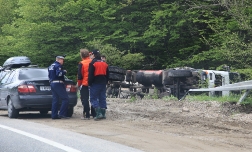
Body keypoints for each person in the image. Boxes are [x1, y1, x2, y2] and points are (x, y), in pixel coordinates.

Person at [88, 50, 109, 120]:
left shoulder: (93, 63)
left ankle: (98, 113)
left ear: (93, 55)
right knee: (102, 98)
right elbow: (108, 75)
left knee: (93, 98)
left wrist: (89, 83)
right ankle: (103, 114)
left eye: (91, 54)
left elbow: (90, 75)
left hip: (95, 83)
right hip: (103, 83)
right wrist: (106, 82)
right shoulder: (104, 63)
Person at [48, 55, 69, 119]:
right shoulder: (58, 65)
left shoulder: (51, 66)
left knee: (55, 99)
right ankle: (62, 114)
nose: (63, 61)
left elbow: (49, 75)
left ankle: (54, 115)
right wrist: (64, 72)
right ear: (59, 60)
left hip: (52, 83)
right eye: (62, 60)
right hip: (58, 83)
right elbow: (59, 74)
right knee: (65, 99)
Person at [77, 49, 92, 120]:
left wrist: (79, 84)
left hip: (84, 83)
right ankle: (94, 114)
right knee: (93, 98)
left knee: (84, 99)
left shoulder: (81, 63)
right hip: (92, 83)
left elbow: (80, 76)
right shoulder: (92, 61)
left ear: (81, 55)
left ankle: (87, 114)